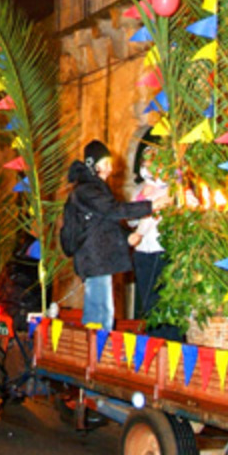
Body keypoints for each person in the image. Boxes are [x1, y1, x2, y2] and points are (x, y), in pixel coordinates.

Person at [67, 139, 168, 330]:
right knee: (100, 311)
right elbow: (112, 210)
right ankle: (96, 352)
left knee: (103, 309)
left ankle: (97, 350)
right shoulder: (88, 190)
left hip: (99, 256)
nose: (110, 168)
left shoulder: (94, 188)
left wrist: (125, 236)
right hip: (94, 258)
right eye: (105, 163)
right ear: (93, 165)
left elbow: (105, 221)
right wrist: (150, 205)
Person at [128, 144, 183, 340]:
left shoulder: (174, 189)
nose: (149, 167)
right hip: (143, 252)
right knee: (148, 301)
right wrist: (142, 199)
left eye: (153, 162)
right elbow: (131, 220)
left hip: (164, 250)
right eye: (146, 163)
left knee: (166, 299)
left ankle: (171, 342)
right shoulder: (140, 189)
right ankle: (154, 342)